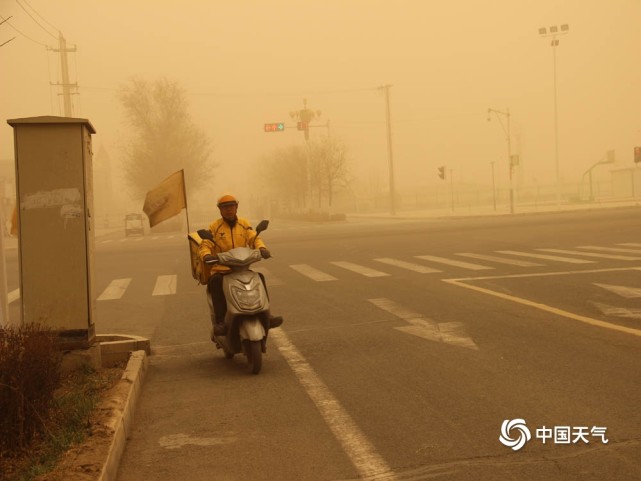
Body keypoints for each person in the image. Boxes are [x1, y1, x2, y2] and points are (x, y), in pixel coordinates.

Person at [198, 194, 282, 338]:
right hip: (222, 270)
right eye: (225, 207)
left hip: (242, 267)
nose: (228, 210)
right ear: (220, 210)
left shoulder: (243, 223)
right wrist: (206, 255)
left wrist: (262, 248)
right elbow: (206, 244)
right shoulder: (215, 227)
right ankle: (220, 322)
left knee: (259, 277)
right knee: (216, 282)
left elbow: (254, 237)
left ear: (236, 207)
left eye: (231, 206)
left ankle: (267, 315)